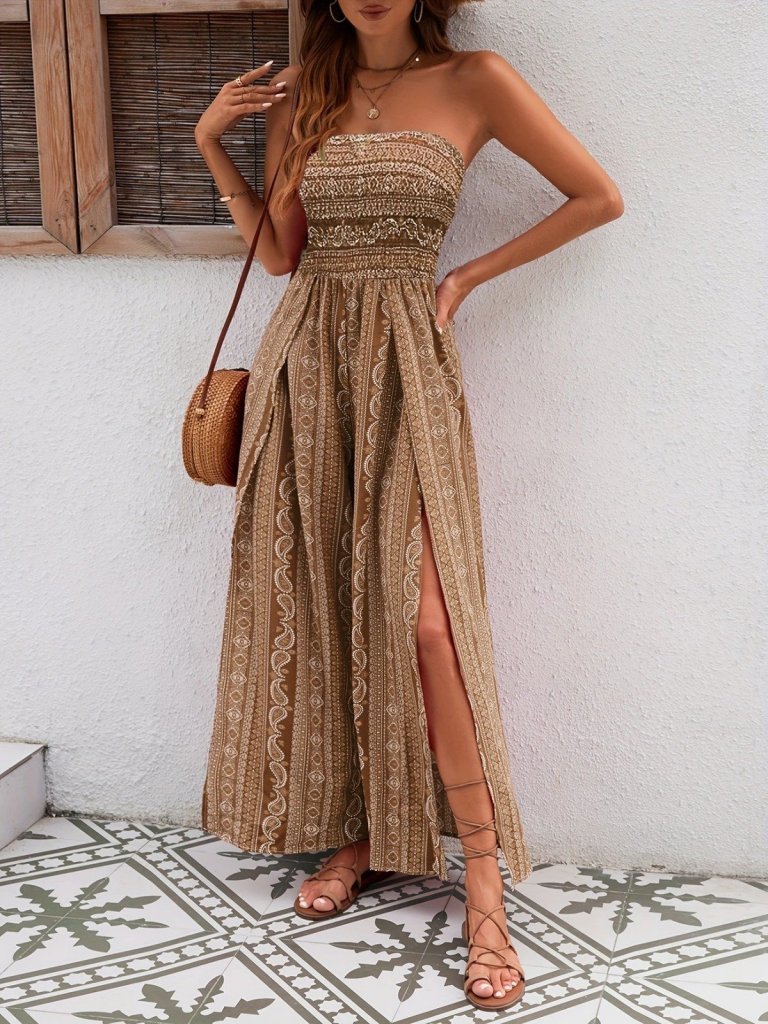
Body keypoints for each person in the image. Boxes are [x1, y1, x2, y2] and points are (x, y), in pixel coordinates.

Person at [194, 0, 623, 1011]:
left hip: (406, 368)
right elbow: (281, 255)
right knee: (329, 605)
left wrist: (465, 278)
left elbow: (596, 196)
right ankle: (360, 836)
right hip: (307, 369)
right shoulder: (310, 92)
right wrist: (215, 145)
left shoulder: (477, 79)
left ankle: (484, 889)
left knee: (426, 623)